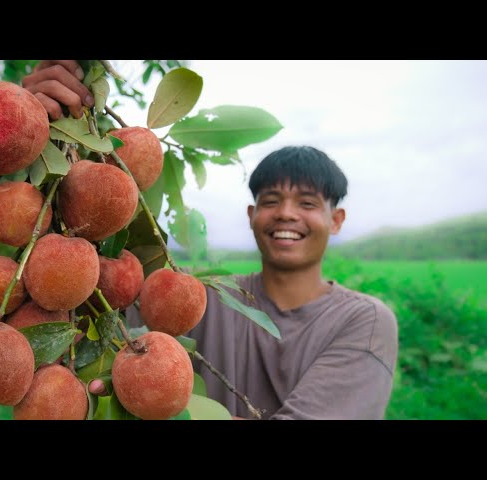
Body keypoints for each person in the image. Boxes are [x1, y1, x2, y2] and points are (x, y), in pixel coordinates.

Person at [24, 61, 399, 420]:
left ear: (336, 220)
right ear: (252, 216)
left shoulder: (364, 320)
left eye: (306, 203)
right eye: (271, 201)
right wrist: (40, 131)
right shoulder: (196, 297)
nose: (286, 214)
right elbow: (77, 288)